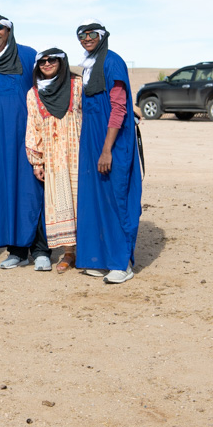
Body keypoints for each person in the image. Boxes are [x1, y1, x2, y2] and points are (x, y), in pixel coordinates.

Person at [0, 14, 50, 270]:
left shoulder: (27, 56)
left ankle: (40, 250)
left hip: (28, 138)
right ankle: (16, 251)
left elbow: (50, 83)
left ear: (9, 31)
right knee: (4, 190)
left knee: (32, 189)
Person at [74, 19, 143, 284]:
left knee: (117, 200)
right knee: (96, 198)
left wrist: (107, 150)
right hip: (93, 141)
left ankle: (121, 263)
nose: (86, 38)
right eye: (81, 35)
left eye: (92, 34)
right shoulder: (90, 65)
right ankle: (101, 258)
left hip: (113, 143)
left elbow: (119, 108)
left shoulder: (112, 62)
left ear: (102, 36)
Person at [25, 48, 82, 274]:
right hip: (54, 156)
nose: (47, 64)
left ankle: (88, 252)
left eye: (52, 60)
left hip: (79, 152)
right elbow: (33, 127)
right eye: (42, 62)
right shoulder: (34, 93)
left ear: (62, 62)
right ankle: (69, 253)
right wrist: (37, 161)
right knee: (62, 202)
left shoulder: (77, 86)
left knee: (83, 201)